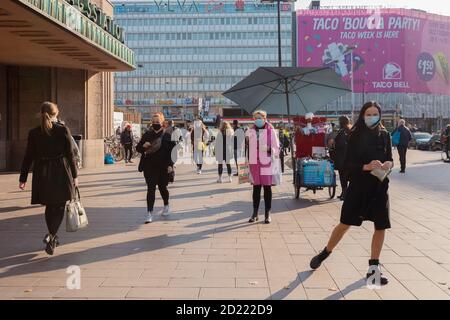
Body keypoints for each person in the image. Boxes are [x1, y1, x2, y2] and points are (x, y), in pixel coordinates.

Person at [309, 101, 393, 286]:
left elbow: (390, 159)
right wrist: (366, 166)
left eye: (375, 113)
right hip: (359, 187)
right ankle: (326, 251)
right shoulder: (354, 135)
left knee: (381, 226)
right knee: (345, 224)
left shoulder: (385, 135)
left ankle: (373, 270)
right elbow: (346, 165)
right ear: (363, 115)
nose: (372, 116)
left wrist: (389, 165)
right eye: (368, 113)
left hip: (379, 186)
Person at [19, 102, 78, 255]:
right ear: (56, 113)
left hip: (42, 171)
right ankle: (52, 236)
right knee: (59, 205)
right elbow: (70, 155)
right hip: (60, 171)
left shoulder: (34, 132)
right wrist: (75, 175)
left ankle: (52, 236)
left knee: (49, 205)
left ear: (41, 113)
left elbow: (28, 156)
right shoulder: (62, 129)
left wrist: (23, 178)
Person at [136, 112, 175, 223]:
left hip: (163, 167)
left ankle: (166, 205)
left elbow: (172, 152)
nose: (155, 124)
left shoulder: (167, 136)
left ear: (162, 123)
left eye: (157, 122)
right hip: (149, 166)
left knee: (163, 188)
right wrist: (143, 146)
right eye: (153, 122)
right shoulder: (147, 134)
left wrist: (170, 165)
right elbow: (138, 148)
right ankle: (149, 213)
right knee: (151, 189)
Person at [247, 110, 280, 224]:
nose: (258, 120)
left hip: (267, 163)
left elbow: (277, 148)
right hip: (254, 163)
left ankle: (267, 214)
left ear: (265, 118)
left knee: (267, 188)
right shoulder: (251, 131)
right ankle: (255, 213)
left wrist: (268, 149)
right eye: (256, 118)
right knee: (256, 189)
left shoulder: (271, 131)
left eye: (260, 117)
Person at [333, 116, 352, 200]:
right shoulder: (349, 130)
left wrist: (334, 143)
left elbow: (341, 144)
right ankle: (344, 192)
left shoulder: (343, 131)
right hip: (346, 158)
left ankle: (345, 194)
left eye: (339, 121)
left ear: (342, 122)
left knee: (343, 177)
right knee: (344, 176)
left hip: (342, 158)